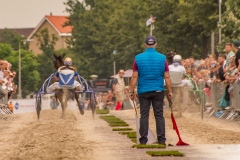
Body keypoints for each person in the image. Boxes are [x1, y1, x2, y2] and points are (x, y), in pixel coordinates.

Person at [129, 35, 173, 145]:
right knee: (159, 115)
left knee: (144, 115)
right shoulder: (163, 58)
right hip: (158, 90)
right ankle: (161, 140)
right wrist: (170, 91)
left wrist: (131, 90)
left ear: (145, 45)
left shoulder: (138, 58)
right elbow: (167, 76)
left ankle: (143, 140)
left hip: (144, 90)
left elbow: (134, 76)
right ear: (156, 44)